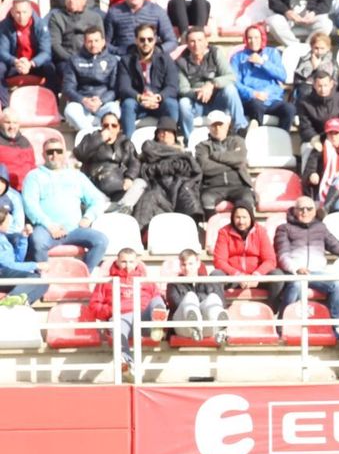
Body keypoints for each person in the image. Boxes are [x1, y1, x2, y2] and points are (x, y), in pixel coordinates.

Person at [24, 141, 109, 270]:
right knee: (37, 241)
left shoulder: (77, 176)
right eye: (50, 152)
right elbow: (30, 205)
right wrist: (50, 226)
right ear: (43, 155)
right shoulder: (33, 176)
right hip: (46, 229)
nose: (55, 155)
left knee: (101, 240)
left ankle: (82, 276)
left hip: (74, 229)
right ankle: (42, 281)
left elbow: (97, 199)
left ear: (64, 154)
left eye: (59, 151)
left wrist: (88, 217)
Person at [82, 247, 163, 379]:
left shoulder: (147, 281)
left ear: (137, 263)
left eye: (131, 262)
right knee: (117, 329)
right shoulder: (106, 282)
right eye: (124, 262)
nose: (127, 265)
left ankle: (157, 324)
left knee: (157, 300)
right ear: (117, 262)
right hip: (121, 318)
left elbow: (158, 297)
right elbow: (94, 306)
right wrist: (111, 310)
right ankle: (128, 365)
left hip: (144, 317)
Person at [275, 197, 339, 315]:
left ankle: (335, 327)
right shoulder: (284, 229)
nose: (305, 212)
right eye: (301, 209)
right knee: (296, 285)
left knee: (338, 285)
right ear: (294, 210)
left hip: (317, 273)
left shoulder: (321, 228)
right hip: (294, 273)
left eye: (309, 209)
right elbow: (283, 255)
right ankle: (284, 323)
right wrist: (296, 269)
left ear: (315, 211)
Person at [176, 27, 246, 140]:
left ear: (206, 41)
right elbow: (183, 89)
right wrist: (200, 92)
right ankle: (188, 140)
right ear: (187, 44)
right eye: (192, 41)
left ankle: (241, 129)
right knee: (183, 103)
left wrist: (211, 85)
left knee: (230, 89)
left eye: (200, 40)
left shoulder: (215, 53)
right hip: (196, 102)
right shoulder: (181, 62)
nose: (196, 44)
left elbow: (231, 76)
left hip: (218, 100)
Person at [131, 117, 202, 227]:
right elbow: (145, 171)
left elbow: (195, 172)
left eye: (169, 131)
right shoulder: (149, 152)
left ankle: (193, 231)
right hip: (159, 192)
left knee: (188, 195)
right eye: (162, 131)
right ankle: (141, 236)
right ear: (157, 134)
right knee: (148, 199)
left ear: (174, 135)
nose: (165, 134)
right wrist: (168, 166)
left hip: (179, 190)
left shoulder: (185, 155)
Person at [119, 23, 181, 132]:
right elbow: (124, 87)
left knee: (171, 104)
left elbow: (172, 86)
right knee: (128, 104)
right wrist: (141, 97)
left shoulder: (165, 59)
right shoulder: (127, 61)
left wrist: (158, 97)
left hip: (159, 102)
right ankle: (127, 144)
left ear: (155, 40)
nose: (146, 43)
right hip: (138, 101)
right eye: (142, 40)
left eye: (150, 39)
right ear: (136, 40)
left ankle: (169, 141)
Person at [232, 24, 293, 129]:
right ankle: (255, 135)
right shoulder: (238, 57)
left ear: (262, 38)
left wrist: (263, 63)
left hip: (272, 99)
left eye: (256, 37)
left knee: (289, 109)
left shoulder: (272, 53)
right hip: (252, 100)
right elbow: (234, 82)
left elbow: (282, 76)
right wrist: (252, 93)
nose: (253, 41)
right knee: (256, 106)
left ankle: (281, 137)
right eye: (249, 38)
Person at [74, 111, 140, 206]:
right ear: (101, 127)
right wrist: (100, 138)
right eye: (106, 125)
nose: (109, 128)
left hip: (121, 187)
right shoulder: (92, 139)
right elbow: (80, 154)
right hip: (98, 188)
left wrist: (129, 177)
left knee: (140, 183)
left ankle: (121, 209)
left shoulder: (125, 142)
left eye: (114, 125)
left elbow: (135, 162)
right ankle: (115, 208)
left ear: (119, 128)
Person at [212, 203, 277, 298]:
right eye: (237, 217)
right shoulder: (224, 232)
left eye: (244, 217)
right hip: (233, 278)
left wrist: (256, 275)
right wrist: (237, 275)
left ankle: (274, 311)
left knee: (277, 274)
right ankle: (219, 310)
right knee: (215, 275)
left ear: (251, 217)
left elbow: (270, 260)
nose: (241, 221)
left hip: (257, 278)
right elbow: (219, 261)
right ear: (232, 218)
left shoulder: (261, 231)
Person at [195, 110, 254, 214]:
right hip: (213, 187)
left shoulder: (238, 141)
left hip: (239, 186)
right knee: (206, 199)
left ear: (227, 126)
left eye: (220, 125)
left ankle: (247, 229)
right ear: (209, 128)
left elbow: (240, 159)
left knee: (247, 198)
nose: (217, 129)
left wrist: (215, 156)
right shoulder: (202, 146)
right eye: (214, 126)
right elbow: (205, 167)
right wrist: (232, 163)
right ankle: (212, 227)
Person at [0, 0, 56, 106]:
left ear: (30, 11)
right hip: (14, 64)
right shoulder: (4, 26)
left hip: (34, 63)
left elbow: (46, 52)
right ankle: (5, 107)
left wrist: (31, 63)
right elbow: (2, 51)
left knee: (51, 68)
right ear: (12, 12)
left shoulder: (41, 25)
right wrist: (15, 61)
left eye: (24, 12)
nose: (21, 16)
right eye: (18, 12)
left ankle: (53, 106)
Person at [302, 117, 339, 214]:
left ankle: (326, 208)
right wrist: (312, 174)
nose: (333, 137)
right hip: (325, 186)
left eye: (336, 133)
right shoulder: (319, 149)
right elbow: (309, 170)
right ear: (326, 134)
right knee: (338, 202)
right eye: (330, 133)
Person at [165, 247, 227, 341]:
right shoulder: (173, 284)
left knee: (213, 298)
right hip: (183, 327)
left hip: (206, 326)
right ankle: (195, 327)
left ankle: (221, 329)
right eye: (183, 265)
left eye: (190, 264)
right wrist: (198, 299)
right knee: (190, 297)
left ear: (198, 264)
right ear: (180, 266)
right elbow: (176, 305)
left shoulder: (208, 281)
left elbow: (221, 302)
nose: (187, 268)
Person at [107, 0, 178, 58]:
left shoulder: (157, 11)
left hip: (151, 57)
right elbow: (105, 43)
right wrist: (120, 51)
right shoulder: (114, 12)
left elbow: (172, 41)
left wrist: (158, 50)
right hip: (123, 57)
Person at [48, 0, 104, 71]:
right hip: (66, 60)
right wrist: (72, 59)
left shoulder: (95, 18)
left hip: (91, 58)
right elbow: (55, 45)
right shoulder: (56, 18)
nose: (71, 0)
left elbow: (101, 42)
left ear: (84, 0)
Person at [267, 0, 335, 48]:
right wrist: (287, 12)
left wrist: (314, 13)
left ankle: (307, 48)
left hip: (311, 16)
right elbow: (273, 0)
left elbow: (327, 1)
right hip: (288, 17)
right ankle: (298, 48)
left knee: (327, 24)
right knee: (273, 22)